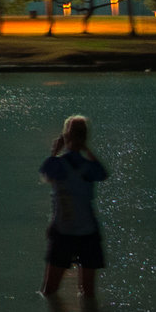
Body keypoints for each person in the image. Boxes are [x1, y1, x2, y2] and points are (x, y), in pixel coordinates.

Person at [39, 114, 109, 297]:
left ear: (65, 137)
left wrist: (54, 151)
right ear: (84, 138)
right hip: (88, 233)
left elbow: (45, 173)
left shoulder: (57, 165)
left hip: (63, 232)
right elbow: (103, 174)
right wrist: (87, 149)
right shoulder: (90, 168)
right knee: (88, 293)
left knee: (49, 291)